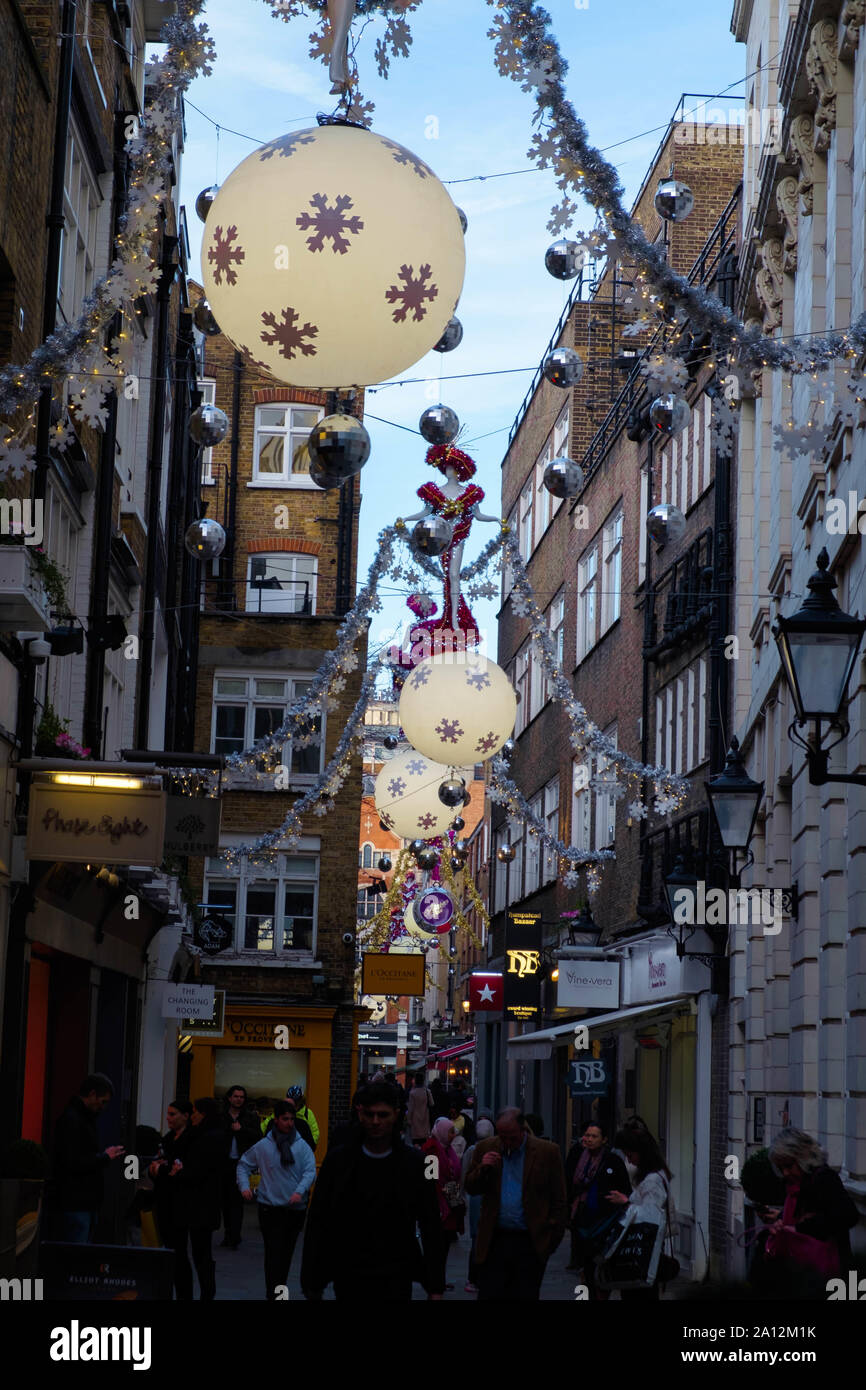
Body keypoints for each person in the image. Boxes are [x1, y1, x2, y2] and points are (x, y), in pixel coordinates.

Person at [300, 1081, 444, 1302]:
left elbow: (430, 1224)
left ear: (395, 1115)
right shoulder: (339, 1162)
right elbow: (319, 1220)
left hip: (395, 1272)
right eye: (370, 1114)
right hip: (350, 1270)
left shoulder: (415, 1164)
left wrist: (435, 1285)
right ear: (360, 1114)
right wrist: (312, 1280)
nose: (376, 1122)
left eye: (382, 1115)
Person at [464, 1105, 567, 1301]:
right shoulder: (486, 1147)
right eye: (502, 1136)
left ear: (523, 1130)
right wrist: (483, 1168)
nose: (507, 1142)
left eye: (512, 1137)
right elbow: (470, 1187)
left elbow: (559, 1199)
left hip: (529, 1241)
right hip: (495, 1240)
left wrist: (550, 1240)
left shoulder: (547, 1152)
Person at [748, 1127, 858, 1298]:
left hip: (827, 1275)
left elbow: (847, 1215)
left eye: (789, 1166)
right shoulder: (797, 1185)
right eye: (781, 1168)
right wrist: (781, 1218)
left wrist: (800, 1229)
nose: (785, 1173)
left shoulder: (823, 1178)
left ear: (803, 1157)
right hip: (804, 1273)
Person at [237, 1099, 316, 1300]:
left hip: (294, 1209)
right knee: (273, 1255)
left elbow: (309, 1171)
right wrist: (245, 1187)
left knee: (285, 1256)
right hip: (269, 1208)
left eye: (292, 1119)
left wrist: (299, 1191)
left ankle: (278, 1292)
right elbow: (244, 1164)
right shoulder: (264, 1146)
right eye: (285, 1119)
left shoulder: (301, 1146)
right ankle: (275, 1295)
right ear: (276, 1120)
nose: (289, 1123)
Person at [50, 1073, 125, 1243]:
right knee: (77, 1255)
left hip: (80, 1201)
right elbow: (73, 1161)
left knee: (78, 1254)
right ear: (92, 1094)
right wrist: (104, 1157)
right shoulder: (75, 1120)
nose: (103, 1107)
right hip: (78, 1201)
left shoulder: (76, 1118)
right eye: (102, 1101)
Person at [603, 1125, 673, 1300]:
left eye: (630, 1155)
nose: (629, 1160)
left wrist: (626, 1202)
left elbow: (649, 1218)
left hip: (642, 1253)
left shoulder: (652, 1181)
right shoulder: (656, 1175)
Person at [169, 1097, 226, 1301]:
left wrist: (179, 1173)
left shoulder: (207, 1138)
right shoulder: (211, 1135)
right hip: (203, 1205)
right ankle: (205, 1294)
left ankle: (205, 1294)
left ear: (204, 1113)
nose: (193, 1115)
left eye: (196, 1111)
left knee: (200, 1254)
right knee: (202, 1254)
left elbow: (198, 1170)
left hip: (199, 1205)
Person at [565, 1123, 630, 1297]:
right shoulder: (577, 1155)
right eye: (587, 1135)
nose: (589, 1140)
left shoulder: (612, 1161)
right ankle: (586, 1293)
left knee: (600, 1266)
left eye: (594, 1136)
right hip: (581, 1217)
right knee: (585, 1267)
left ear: (604, 1140)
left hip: (604, 1222)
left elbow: (624, 1188)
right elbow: (567, 1180)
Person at [422, 1117, 465, 1294]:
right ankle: (435, 1284)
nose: (453, 1134)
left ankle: (439, 1280)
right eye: (450, 1131)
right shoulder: (432, 1149)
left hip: (450, 1203)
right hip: (438, 1207)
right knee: (436, 1249)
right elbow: (430, 1179)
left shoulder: (447, 1149)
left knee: (444, 1247)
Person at [149, 1100, 193, 1263]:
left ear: (185, 1116)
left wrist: (162, 1169)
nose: (168, 1118)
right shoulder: (168, 1139)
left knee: (178, 1250)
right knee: (168, 1244)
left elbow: (180, 1170)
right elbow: (161, 1166)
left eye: (172, 1114)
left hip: (179, 1202)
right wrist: (159, 1169)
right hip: (164, 1199)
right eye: (168, 1114)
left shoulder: (190, 1139)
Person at [219, 1085, 261, 1249]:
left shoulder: (250, 1117)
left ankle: (235, 1236)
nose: (239, 1099)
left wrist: (241, 1129)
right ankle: (228, 1233)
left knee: (236, 1202)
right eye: (236, 1096)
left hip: (242, 1164)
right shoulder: (222, 1117)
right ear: (229, 1098)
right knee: (225, 1201)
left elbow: (258, 1136)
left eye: (242, 1097)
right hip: (224, 1163)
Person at [286, 1084, 319, 1149]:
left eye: (296, 1101)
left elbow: (315, 1133)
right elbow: (265, 1126)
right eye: (291, 1101)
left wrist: (308, 1147)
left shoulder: (307, 1113)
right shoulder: (281, 1111)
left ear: (301, 1101)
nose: (294, 1104)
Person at [406, 1071, 433, 1146]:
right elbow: (432, 1103)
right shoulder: (427, 1091)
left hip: (415, 1120)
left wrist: (408, 1121)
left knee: (416, 1142)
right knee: (424, 1143)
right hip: (425, 1118)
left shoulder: (412, 1093)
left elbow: (410, 1108)